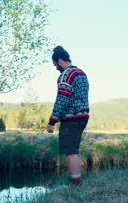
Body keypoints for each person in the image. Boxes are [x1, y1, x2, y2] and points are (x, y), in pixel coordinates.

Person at [46, 46, 89, 186]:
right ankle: (76, 179)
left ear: (58, 60)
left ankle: (75, 181)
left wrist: (52, 121)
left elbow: (62, 99)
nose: (55, 68)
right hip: (83, 116)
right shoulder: (81, 73)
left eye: (55, 64)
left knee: (70, 150)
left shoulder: (66, 75)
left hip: (71, 117)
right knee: (74, 148)